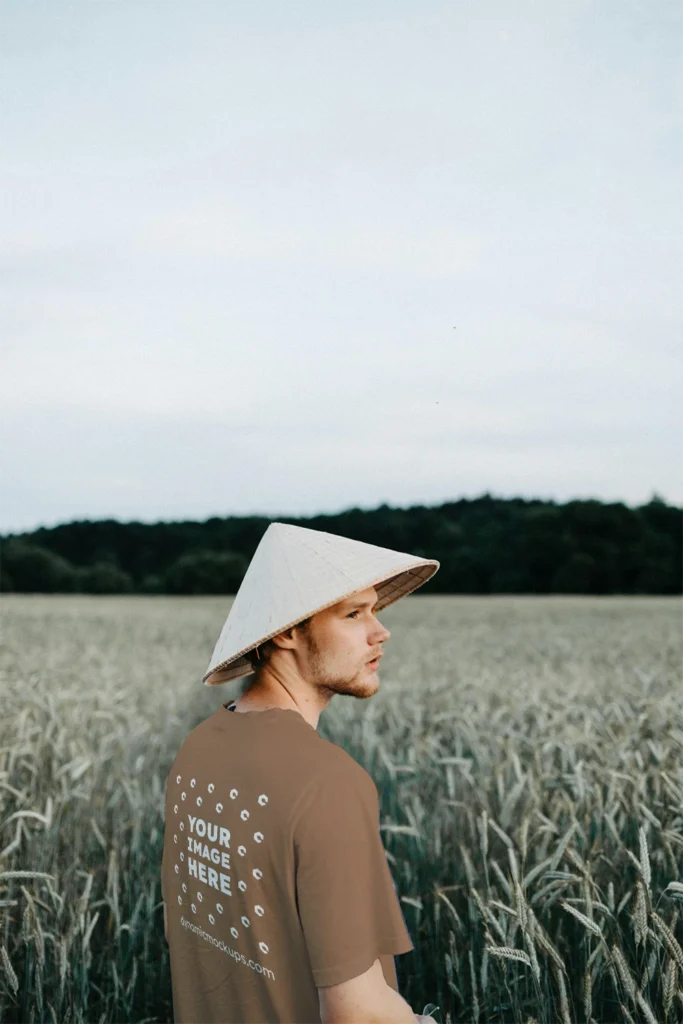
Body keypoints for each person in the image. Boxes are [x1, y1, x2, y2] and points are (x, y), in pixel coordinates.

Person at [161, 521, 440, 1023]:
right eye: (354, 613)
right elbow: (358, 1013)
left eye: (375, 610)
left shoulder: (196, 750)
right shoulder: (328, 782)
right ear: (287, 629)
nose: (381, 631)